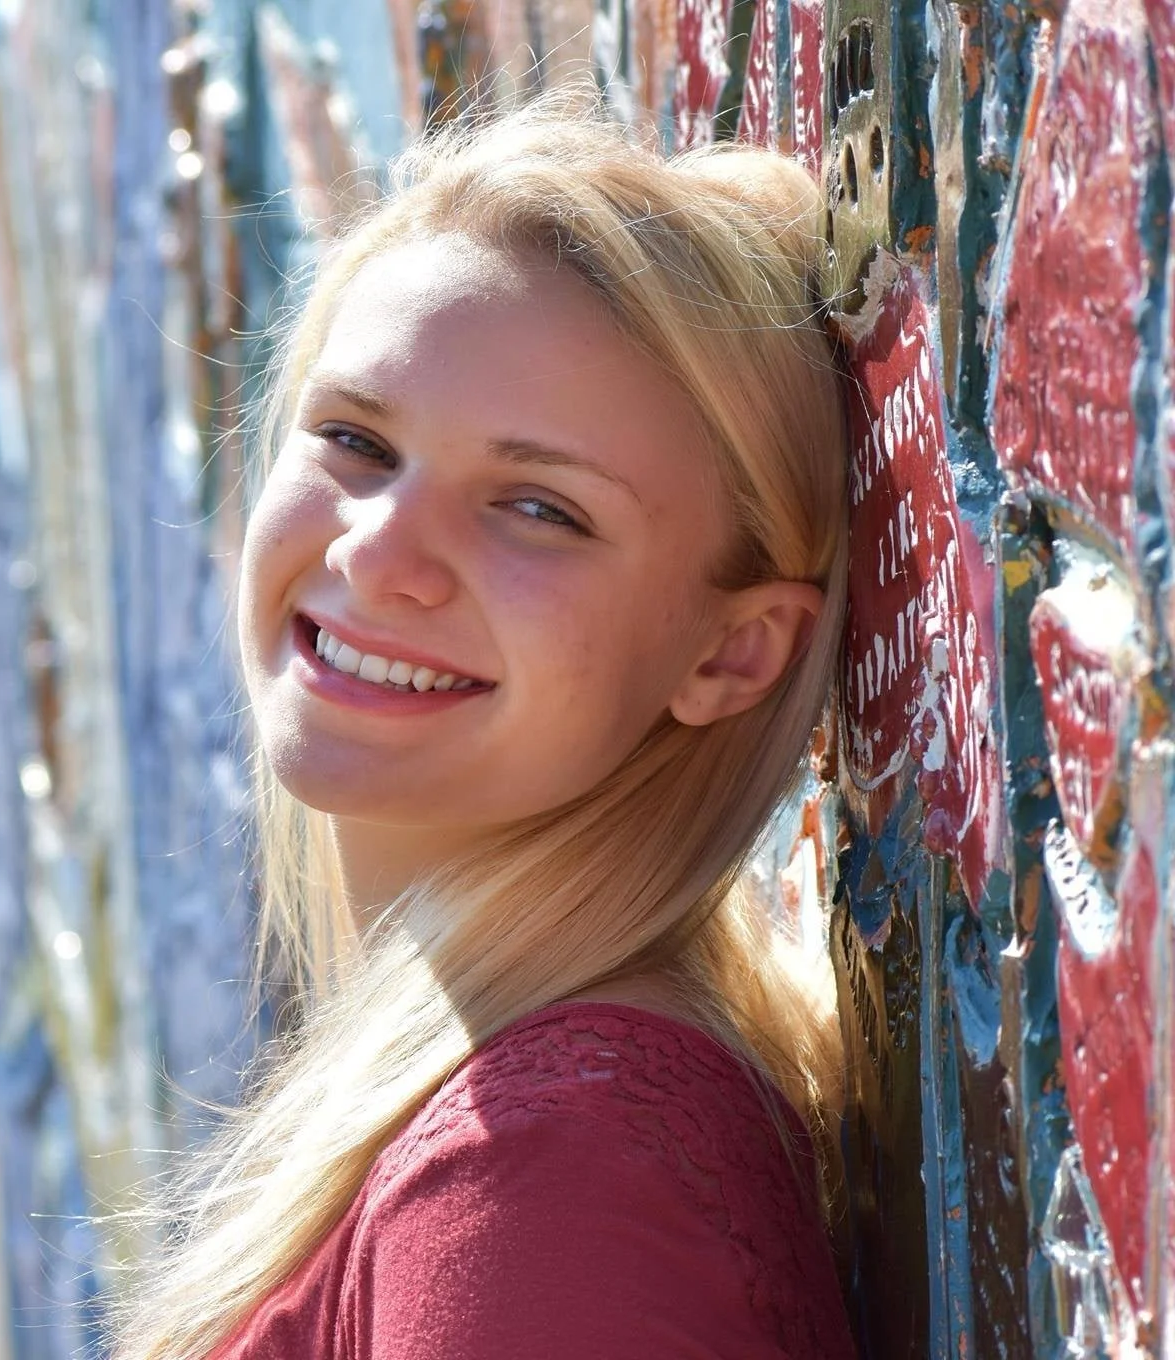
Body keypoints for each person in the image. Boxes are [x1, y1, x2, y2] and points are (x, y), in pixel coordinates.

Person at [113, 94, 858, 1360]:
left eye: (537, 508)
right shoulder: (504, 1109)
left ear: (732, 652)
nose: (380, 549)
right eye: (355, 438)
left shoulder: (550, 1172)